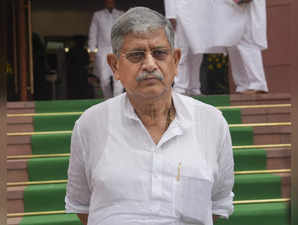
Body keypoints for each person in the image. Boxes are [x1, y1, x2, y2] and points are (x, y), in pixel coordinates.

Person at [65, 7, 234, 225]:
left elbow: (217, 204)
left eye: (159, 53)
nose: (150, 64)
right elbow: (83, 207)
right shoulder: (90, 124)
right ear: (115, 66)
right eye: (136, 55)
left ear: (175, 61)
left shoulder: (212, 122)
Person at [164, 0, 268, 95]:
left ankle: (257, 84)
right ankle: (243, 85)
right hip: (194, 10)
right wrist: (171, 14)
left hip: (236, 7)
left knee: (246, 45)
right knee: (232, 45)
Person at [88, 0, 124, 99]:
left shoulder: (121, 14)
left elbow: (125, 32)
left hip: (117, 49)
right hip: (102, 50)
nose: (110, 2)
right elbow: (93, 33)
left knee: (119, 77)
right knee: (104, 79)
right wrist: (91, 50)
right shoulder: (98, 15)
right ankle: (107, 100)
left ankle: (118, 100)